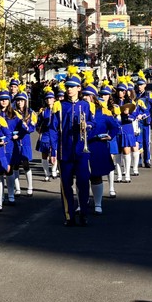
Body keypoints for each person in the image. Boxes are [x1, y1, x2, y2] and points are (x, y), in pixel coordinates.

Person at [48, 66, 95, 227]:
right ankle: (69, 216)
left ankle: (83, 213)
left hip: (82, 151)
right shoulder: (59, 105)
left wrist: (87, 125)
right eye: (67, 86)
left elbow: (92, 122)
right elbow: (53, 129)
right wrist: (53, 150)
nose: (69, 89)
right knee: (66, 185)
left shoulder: (86, 105)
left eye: (72, 87)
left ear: (79, 88)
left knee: (83, 183)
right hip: (65, 152)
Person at [82, 77, 119, 215]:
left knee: (96, 175)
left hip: (97, 146)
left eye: (87, 95)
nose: (84, 97)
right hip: (81, 147)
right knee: (81, 177)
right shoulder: (79, 109)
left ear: (93, 97)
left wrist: (110, 136)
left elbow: (115, 127)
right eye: (83, 95)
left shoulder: (103, 111)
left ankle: (98, 203)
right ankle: (82, 202)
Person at [10, 85, 37, 197]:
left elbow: (32, 127)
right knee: (15, 165)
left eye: (22, 101)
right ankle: (17, 188)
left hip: (25, 141)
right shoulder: (12, 112)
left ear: (25, 101)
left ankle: (30, 186)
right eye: (18, 101)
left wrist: (26, 127)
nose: (19, 103)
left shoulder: (31, 112)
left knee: (26, 164)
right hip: (15, 141)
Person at [133, 70, 152, 168]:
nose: (139, 86)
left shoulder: (149, 95)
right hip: (137, 121)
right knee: (138, 141)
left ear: (145, 85)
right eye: (138, 85)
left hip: (146, 121)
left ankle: (147, 160)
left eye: (141, 84)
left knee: (146, 141)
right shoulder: (134, 94)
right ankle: (139, 160)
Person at [36, 86, 57, 181]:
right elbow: (38, 123)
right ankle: (46, 173)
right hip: (45, 134)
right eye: (47, 98)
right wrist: (39, 129)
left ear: (54, 99)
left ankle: (54, 170)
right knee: (44, 154)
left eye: (51, 98)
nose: (49, 100)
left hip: (55, 134)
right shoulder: (43, 111)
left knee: (55, 152)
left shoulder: (57, 109)